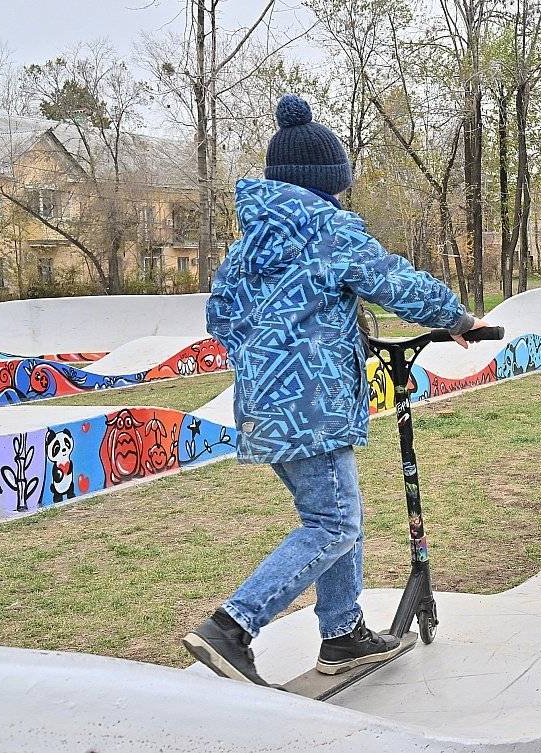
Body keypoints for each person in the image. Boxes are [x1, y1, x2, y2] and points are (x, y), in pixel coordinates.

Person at [183, 94, 486, 686]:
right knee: (333, 523)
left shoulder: (249, 244)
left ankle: (343, 633)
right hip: (312, 403)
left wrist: (277, 342)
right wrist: (456, 317)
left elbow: (219, 319)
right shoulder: (326, 229)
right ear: (330, 182)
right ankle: (233, 625)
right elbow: (391, 279)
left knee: (337, 514)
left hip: (265, 401)